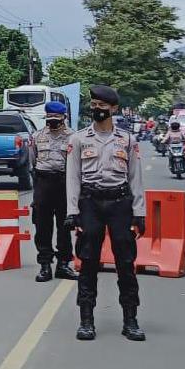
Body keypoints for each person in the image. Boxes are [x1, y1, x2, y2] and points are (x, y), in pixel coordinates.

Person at [65, 85, 146, 342]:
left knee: (125, 262)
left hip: (120, 202)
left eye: (102, 105)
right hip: (91, 202)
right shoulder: (78, 139)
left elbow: (136, 178)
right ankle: (86, 320)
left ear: (114, 109)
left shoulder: (127, 140)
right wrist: (72, 211)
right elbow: (72, 178)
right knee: (88, 261)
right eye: (94, 104)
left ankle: (130, 320)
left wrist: (139, 213)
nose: (97, 109)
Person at [29, 102, 79, 282]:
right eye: (49, 119)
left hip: (65, 183)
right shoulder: (37, 136)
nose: (52, 123)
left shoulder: (74, 137)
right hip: (43, 182)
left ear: (64, 118)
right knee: (42, 225)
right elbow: (33, 161)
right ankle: (44, 265)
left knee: (65, 226)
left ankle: (63, 264)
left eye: (56, 120)